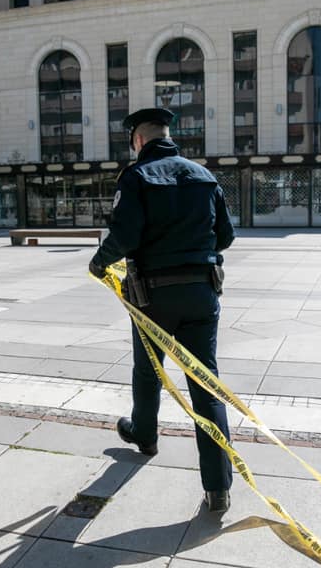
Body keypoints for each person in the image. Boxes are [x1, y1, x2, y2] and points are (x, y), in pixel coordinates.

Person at [89, 107, 236, 513]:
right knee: (206, 385)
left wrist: (99, 263)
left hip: (151, 297)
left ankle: (146, 436)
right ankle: (218, 488)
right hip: (201, 293)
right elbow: (225, 236)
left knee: (148, 369)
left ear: (138, 140)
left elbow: (124, 236)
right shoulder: (204, 177)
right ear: (168, 136)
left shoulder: (136, 176)